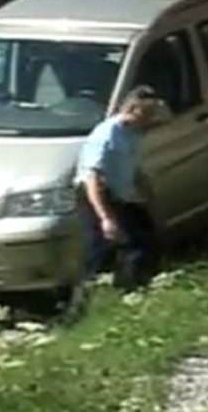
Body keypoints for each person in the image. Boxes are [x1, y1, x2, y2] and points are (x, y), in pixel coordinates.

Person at [76, 85, 165, 291]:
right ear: (134, 110)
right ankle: (87, 299)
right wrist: (105, 218)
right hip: (98, 198)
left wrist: (151, 203)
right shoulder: (106, 136)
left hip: (120, 195)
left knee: (145, 241)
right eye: (147, 114)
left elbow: (135, 172)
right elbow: (92, 178)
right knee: (98, 253)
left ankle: (133, 287)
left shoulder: (132, 133)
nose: (150, 120)